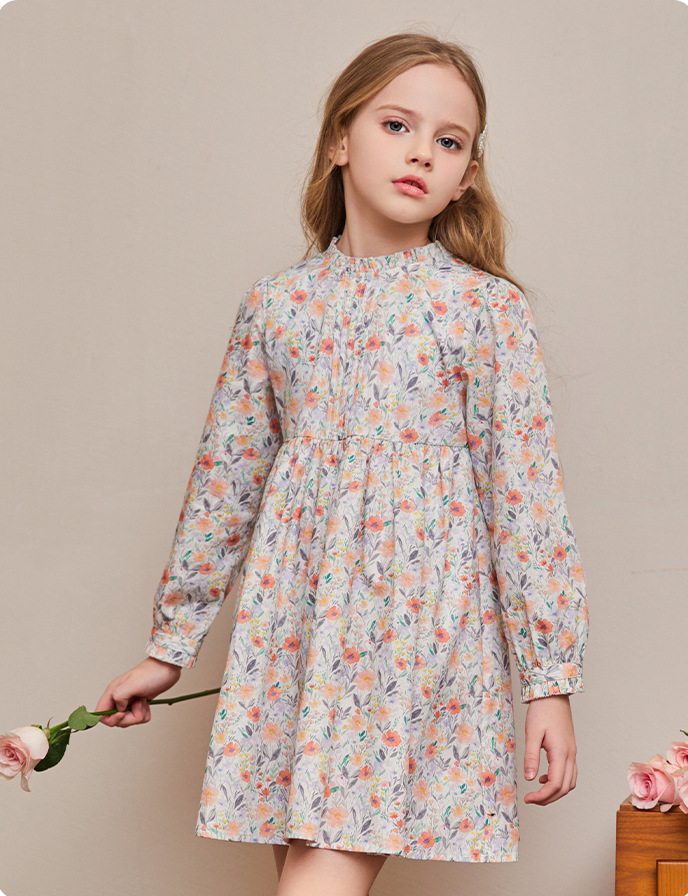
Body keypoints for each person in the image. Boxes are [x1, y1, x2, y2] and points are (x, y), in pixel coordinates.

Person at [95, 31, 589, 896]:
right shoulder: (276, 308)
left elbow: (526, 500)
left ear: (467, 176)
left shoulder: (483, 311)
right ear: (338, 140)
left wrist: (549, 683)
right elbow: (225, 486)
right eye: (397, 125)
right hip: (292, 643)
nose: (421, 153)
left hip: (412, 643)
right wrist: (169, 649)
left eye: (449, 141)